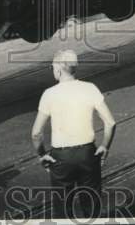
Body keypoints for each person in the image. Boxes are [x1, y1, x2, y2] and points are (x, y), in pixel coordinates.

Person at [31, 50, 116, 218]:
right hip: (87, 153)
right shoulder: (90, 88)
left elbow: (36, 133)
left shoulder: (49, 94)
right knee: (92, 208)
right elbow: (110, 122)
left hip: (60, 158)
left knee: (63, 211)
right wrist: (105, 146)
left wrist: (42, 155)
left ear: (59, 70)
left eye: (53, 67)